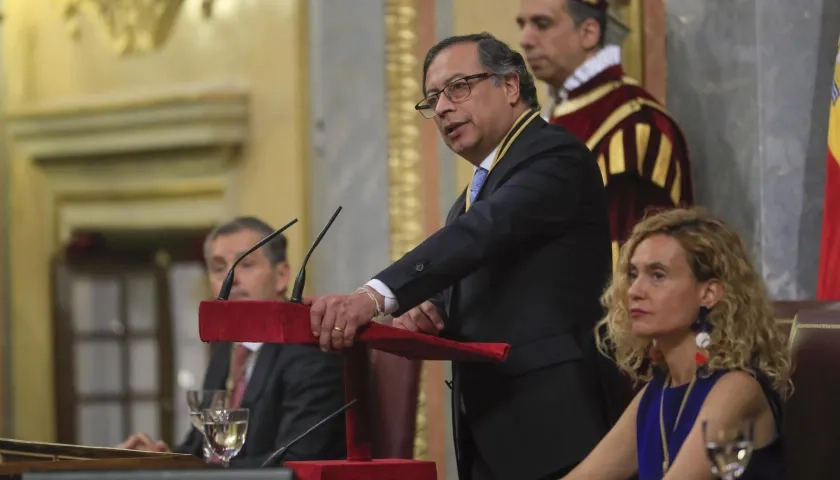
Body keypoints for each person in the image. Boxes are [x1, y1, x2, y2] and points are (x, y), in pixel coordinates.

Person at [307, 33, 617, 480]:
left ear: (510, 87)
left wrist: (376, 295)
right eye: (433, 99)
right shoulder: (469, 199)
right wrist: (431, 310)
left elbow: (482, 234)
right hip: (490, 436)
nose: (444, 108)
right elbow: (487, 278)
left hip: (556, 430)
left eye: (458, 87)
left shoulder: (555, 155)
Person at [561, 207, 791, 480]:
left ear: (708, 293)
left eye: (658, 275)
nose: (634, 291)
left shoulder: (737, 389)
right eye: (634, 274)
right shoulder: (657, 392)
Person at [118, 217, 346, 467]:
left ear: (281, 276)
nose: (231, 277)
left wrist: (192, 470)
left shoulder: (312, 353)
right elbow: (202, 448)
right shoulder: (226, 350)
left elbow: (295, 463)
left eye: (245, 264)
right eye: (218, 268)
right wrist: (159, 457)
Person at [517, 0, 694, 259]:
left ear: (588, 33)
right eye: (522, 24)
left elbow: (636, 260)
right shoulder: (555, 115)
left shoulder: (634, 125)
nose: (525, 39)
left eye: (542, 24)